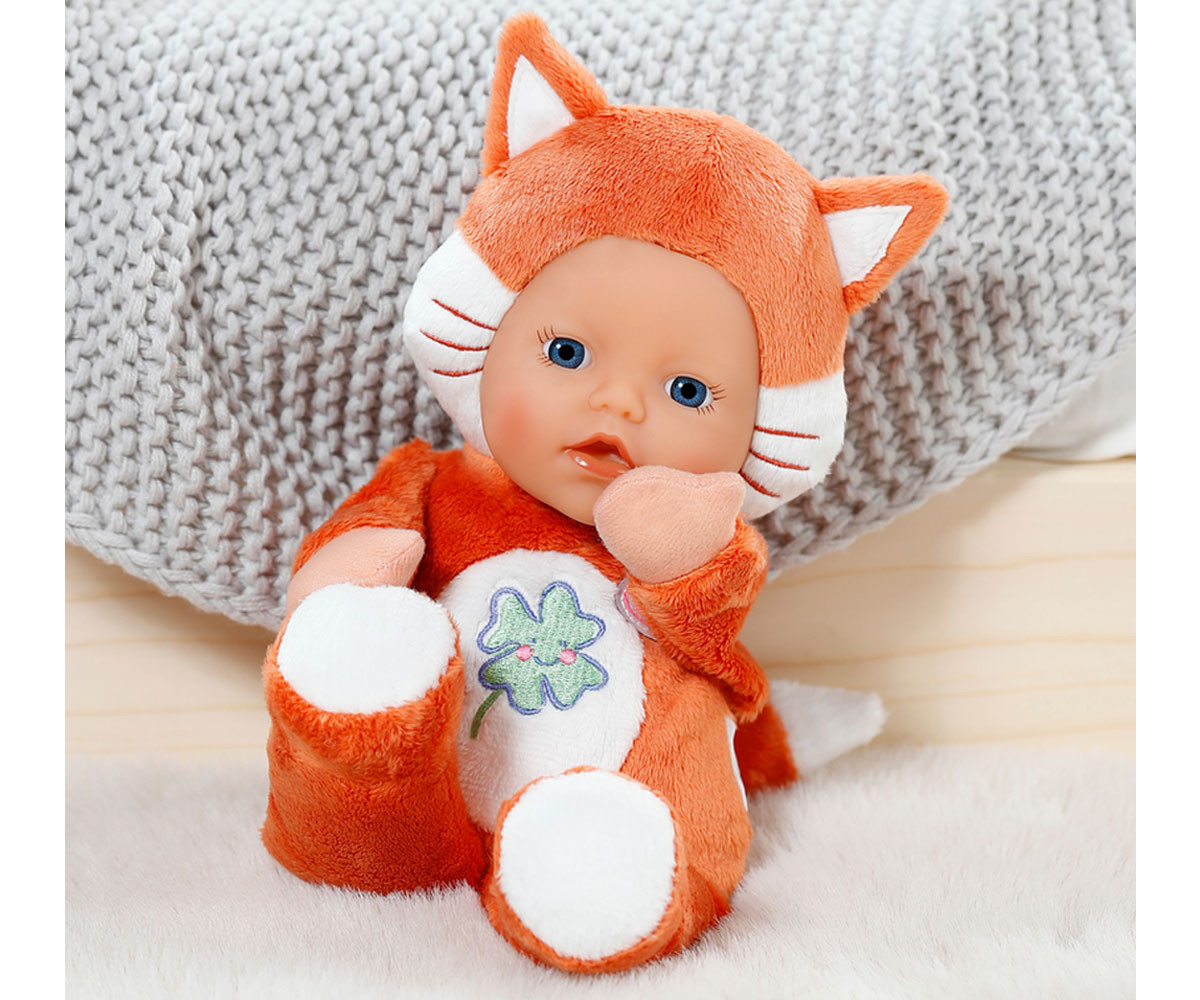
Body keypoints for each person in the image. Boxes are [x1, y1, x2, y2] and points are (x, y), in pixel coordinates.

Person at [259, 12, 947, 974]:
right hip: (417, 786)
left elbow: (710, 637)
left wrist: (676, 557)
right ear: (487, 330)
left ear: (761, 426)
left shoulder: (709, 540)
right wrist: (340, 587)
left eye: (689, 391)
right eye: (568, 351)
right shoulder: (429, 482)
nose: (619, 404)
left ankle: (603, 869)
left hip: (617, 775)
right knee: (355, 702)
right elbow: (353, 542)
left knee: (679, 756)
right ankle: (358, 712)